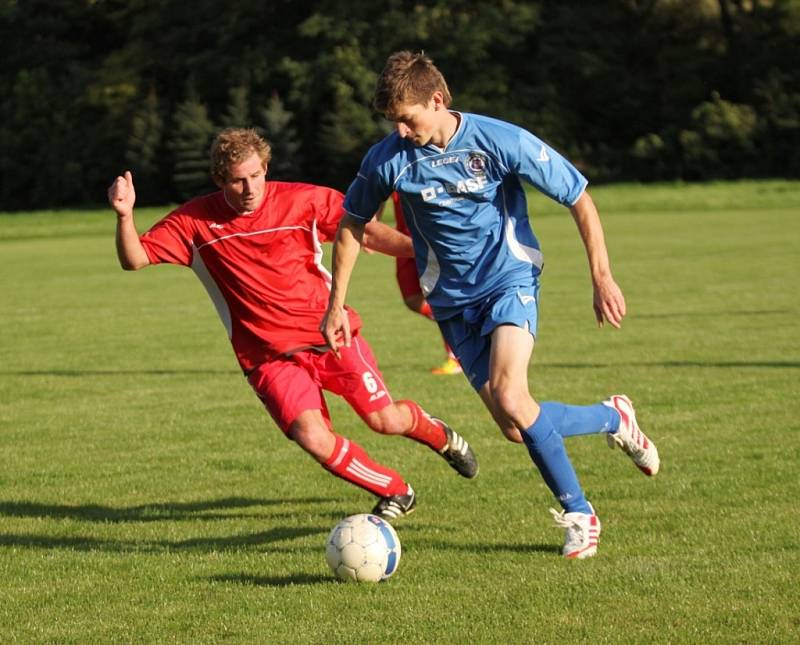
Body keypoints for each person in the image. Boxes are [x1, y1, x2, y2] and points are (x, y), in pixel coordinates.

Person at [321, 51, 660, 559]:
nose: (401, 130)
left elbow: (578, 196)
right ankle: (614, 418)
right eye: (393, 121)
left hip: (509, 282)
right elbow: (351, 224)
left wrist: (602, 275)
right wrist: (336, 305)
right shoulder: (388, 158)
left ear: (437, 100)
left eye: (407, 118)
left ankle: (580, 514)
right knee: (514, 426)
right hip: (453, 303)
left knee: (511, 395)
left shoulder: (499, 139)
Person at [107, 127, 478, 522]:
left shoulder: (303, 200)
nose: (249, 188)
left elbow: (365, 231)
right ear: (219, 179)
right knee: (312, 438)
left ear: (266, 168)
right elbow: (135, 258)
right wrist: (125, 215)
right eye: (237, 179)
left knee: (384, 420)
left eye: (255, 175)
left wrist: (420, 250)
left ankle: (441, 436)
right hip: (267, 358)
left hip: (331, 335)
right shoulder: (194, 222)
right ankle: (396, 491)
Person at [378, 192, 461, 375]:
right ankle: (463, 324)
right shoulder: (388, 165)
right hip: (402, 240)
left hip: (431, 240)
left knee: (440, 299)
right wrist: (372, 226)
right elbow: (377, 193)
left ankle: (456, 358)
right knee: (413, 299)